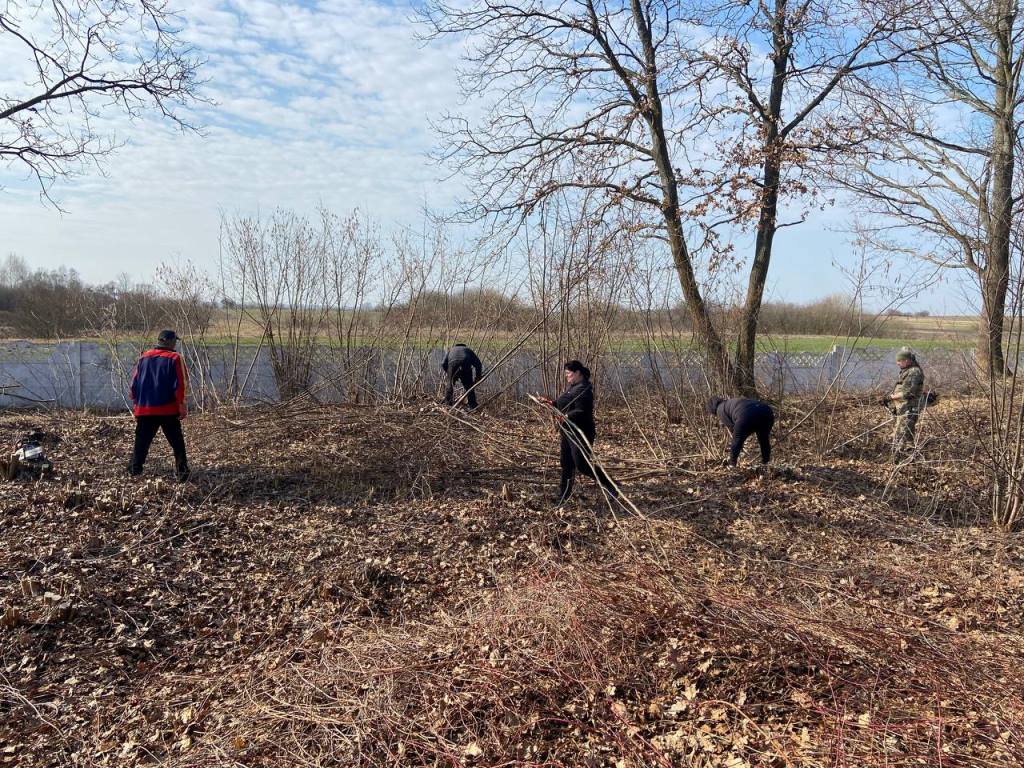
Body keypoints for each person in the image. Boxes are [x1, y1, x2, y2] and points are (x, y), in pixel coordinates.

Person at [538, 361, 619, 505]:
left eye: (569, 373)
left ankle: (612, 485)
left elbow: (582, 411)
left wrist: (566, 416)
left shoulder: (585, 389)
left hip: (581, 431)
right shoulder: (572, 387)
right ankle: (563, 495)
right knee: (566, 463)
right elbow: (564, 403)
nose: (567, 376)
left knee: (582, 464)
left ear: (577, 373)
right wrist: (551, 403)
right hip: (567, 430)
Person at [128, 329, 190, 481]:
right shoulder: (175, 358)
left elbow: (133, 386)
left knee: (141, 443)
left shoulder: (144, 357)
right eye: (175, 340)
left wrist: (136, 406)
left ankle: (134, 472)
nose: (175, 343)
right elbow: (180, 384)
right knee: (177, 444)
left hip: (145, 410)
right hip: (167, 409)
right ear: (170, 341)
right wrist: (181, 406)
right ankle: (182, 474)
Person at [708, 396, 775, 466]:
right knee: (763, 440)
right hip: (766, 411)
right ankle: (766, 462)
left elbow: (733, 428)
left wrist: (739, 442)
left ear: (712, 409)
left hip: (746, 415)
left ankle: (732, 464)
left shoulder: (720, 409)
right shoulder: (730, 402)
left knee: (737, 439)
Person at [884, 347, 925, 450]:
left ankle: (897, 457)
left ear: (906, 361)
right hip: (905, 406)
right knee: (908, 433)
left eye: (899, 361)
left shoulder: (913, 372)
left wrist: (891, 397)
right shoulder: (908, 371)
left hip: (909, 407)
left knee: (901, 433)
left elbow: (909, 392)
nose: (897, 363)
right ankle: (908, 454)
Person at [442, 342, 483, 409]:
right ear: (464, 345)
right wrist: (478, 377)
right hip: (465, 364)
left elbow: (443, 363)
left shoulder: (451, 350)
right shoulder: (468, 350)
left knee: (450, 384)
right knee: (469, 386)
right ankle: (473, 405)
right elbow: (478, 364)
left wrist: (449, 373)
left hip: (452, 365)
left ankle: (448, 403)